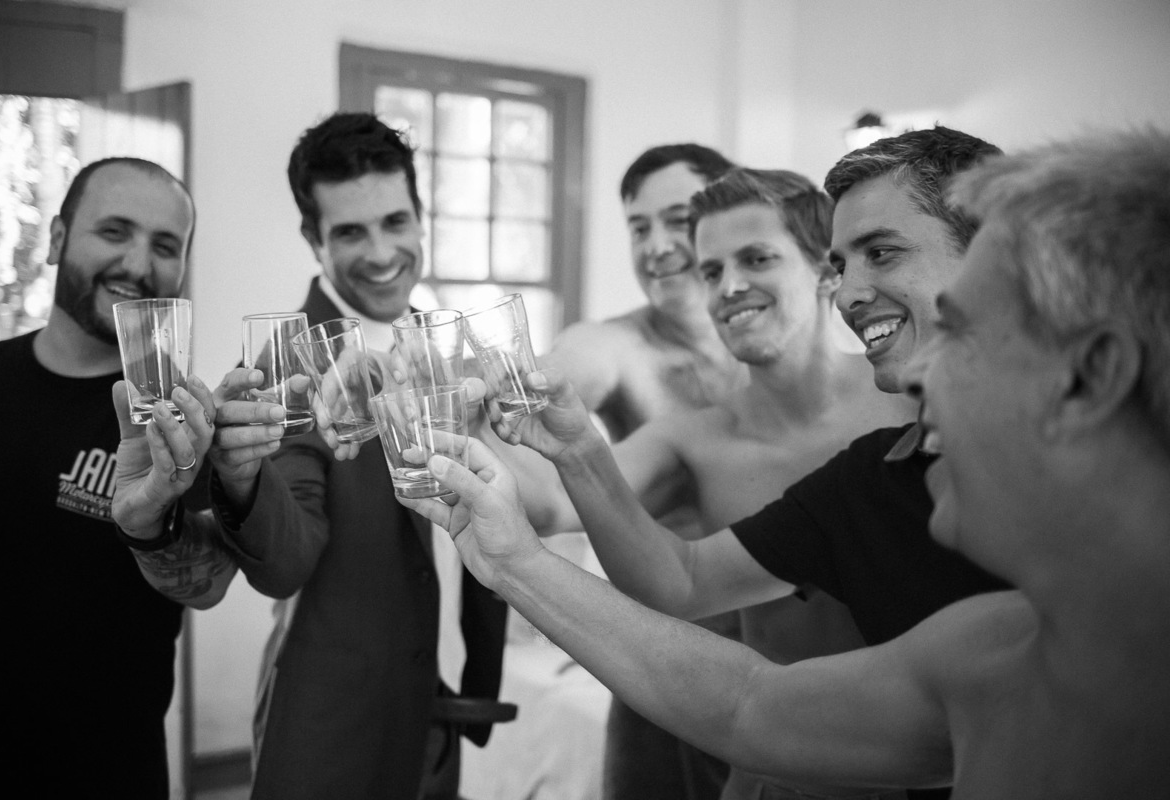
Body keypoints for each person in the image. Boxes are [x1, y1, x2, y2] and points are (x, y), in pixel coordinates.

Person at [404, 129, 1170, 798]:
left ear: (1091, 374)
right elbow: (746, 699)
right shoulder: (981, 649)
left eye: (959, 334)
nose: (855, 294)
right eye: (707, 267)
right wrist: (518, 545)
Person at [491, 127, 1010, 799]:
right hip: (776, 755)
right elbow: (700, 620)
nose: (729, 286)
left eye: (757, 258)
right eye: (710, 270)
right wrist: (509, 431)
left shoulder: (928, 422)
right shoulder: (859, 473)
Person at [206, 112, 509, 800]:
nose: (381, 252)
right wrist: (240, 476)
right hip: (335, 723)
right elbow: (286, 561)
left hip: (439, 709)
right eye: (350, 232)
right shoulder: (290, 363)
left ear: (420, 218)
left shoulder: (442, 341)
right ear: (313, 238)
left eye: (395, 222)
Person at [0, 157, 240, 798]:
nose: (138, 264)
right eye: (115, 232)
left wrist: (150, 523)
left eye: (165, 246)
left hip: (110, 772)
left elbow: (207, 586)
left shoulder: (186, 422)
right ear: (58, 239)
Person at [536, 143, 750, 800]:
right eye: (638, 228)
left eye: (676, 220)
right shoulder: (617, 345)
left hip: (791, 659)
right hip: (667, 663)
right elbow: (543, 381)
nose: (655, 247)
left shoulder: (779, 344)